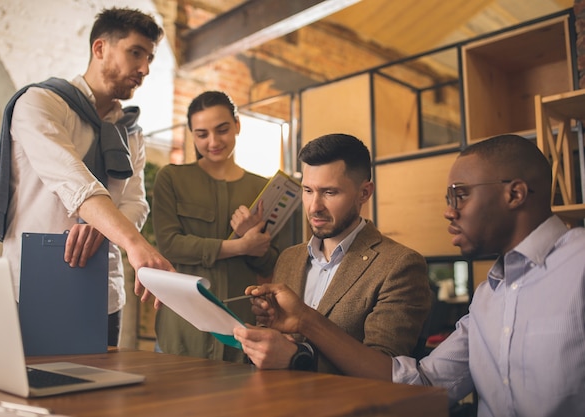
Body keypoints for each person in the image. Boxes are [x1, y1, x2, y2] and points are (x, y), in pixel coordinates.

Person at [238, 134, 585, 417]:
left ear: (515, 194)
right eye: (309, 190)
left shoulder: (578, 265)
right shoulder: (488, 297)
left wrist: (303, 342)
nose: (449, 211)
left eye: (460, 195)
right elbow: (424, 383)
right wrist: (301, 325)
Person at [0, 7, 174, 346]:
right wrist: (132, 241)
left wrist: (102, 227)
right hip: (32, 283)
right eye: (135, 53)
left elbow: (136, 203)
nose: (145, 69)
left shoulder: (132, 133)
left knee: (100, 393)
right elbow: (72, 178)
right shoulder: (40, 103)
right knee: (31, 392)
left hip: (103, 289)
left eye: (149, 58)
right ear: (100, 49)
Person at [234, 133, 432, 374]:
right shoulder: (288, 257)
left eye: (329, 192)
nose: (314, 206)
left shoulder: (400, 265)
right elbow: (275, 345)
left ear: (364, 193)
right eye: (307, 190)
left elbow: (385, 371)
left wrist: (299, 356)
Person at [151, 90, 280, 362]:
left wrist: (255, 246)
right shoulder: (171, 178)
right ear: (192, 134)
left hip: (240, 332)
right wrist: (239, 245)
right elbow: (170, 245)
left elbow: (274, 264)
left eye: (222, 130)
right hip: (181, 329)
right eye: (202, 134)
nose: (213, 142)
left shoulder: (263, 189)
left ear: (237, 125)